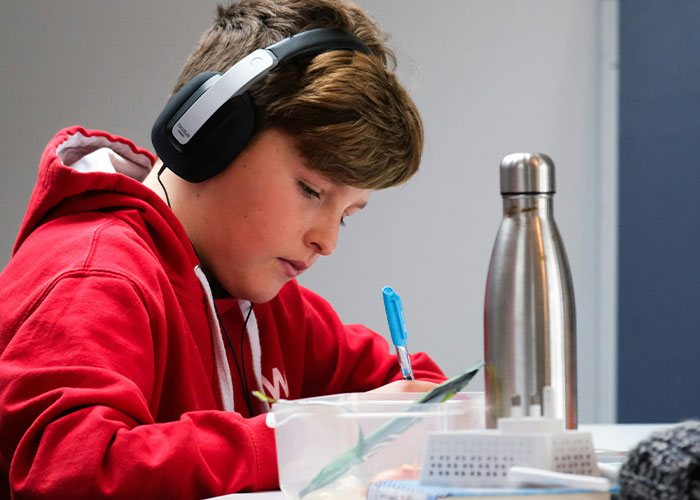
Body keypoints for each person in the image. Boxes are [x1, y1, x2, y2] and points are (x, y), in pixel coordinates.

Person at [0, 0, 446, 498]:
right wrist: (314, 438)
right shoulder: (93, 275)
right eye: (311, 191)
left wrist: (416, 412)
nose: (328, 240)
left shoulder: (265, 305)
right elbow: (73, 470)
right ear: (211, 136)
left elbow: (413, 389)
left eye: (346, 215)